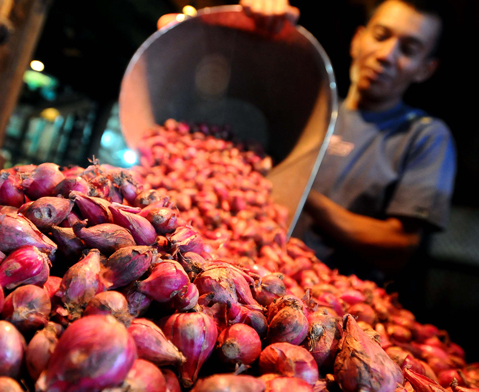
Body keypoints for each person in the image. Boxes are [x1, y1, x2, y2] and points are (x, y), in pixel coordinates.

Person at [159, 0, 456, 285]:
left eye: (408, 49)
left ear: (425, 69)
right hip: (245, 269)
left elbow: (399, 246)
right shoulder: (309, 108)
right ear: (358, 40)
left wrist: (303, 192)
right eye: (381, 36)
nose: (387, 54)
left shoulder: (424, 136)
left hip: (328, 297)